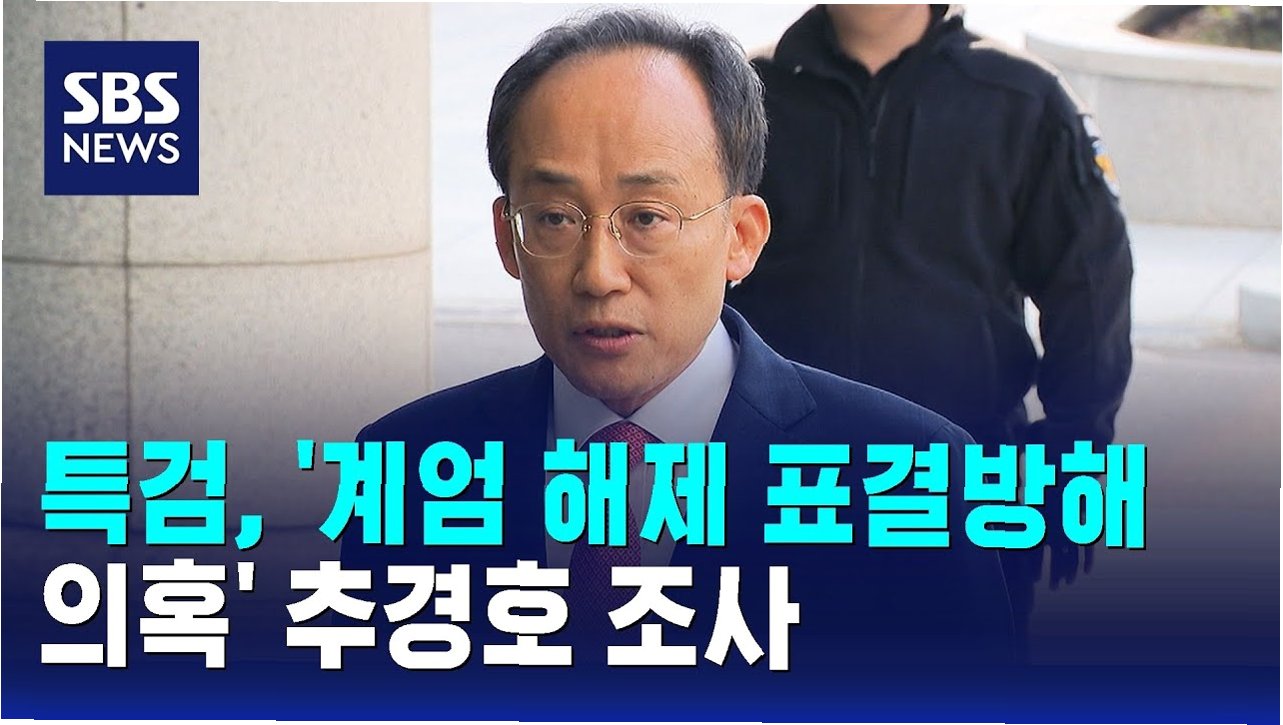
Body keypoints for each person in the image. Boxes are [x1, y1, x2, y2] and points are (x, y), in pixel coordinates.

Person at [341, 9, 1014, 687]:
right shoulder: (408, 471)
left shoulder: (910, 480)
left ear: (740, 238)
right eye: (554, 218)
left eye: (646, 218)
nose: (598, 274)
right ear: (505, 238)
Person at [725, 4, 1133, 653]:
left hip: (961, 486)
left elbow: (1090, 285)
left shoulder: (1020, 98)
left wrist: (1073, 462)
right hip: (787, 487)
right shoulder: (748, 94)